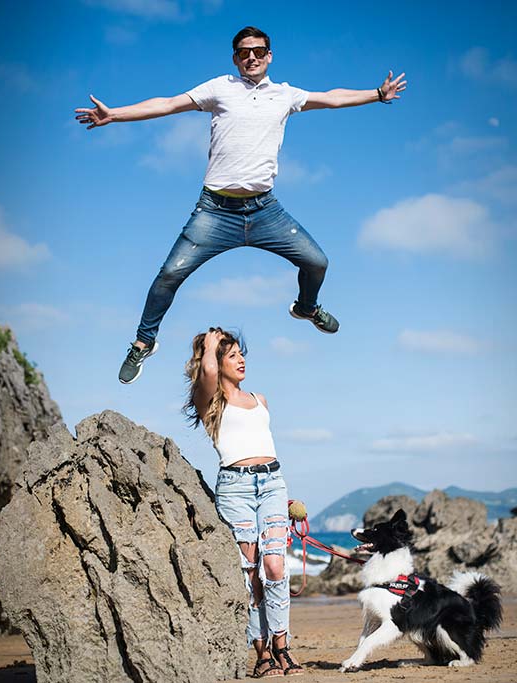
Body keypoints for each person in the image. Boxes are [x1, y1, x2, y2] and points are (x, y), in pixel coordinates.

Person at [76, 26, 407, 384]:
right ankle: (144, 343)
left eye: (259, 51)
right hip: (215, 212)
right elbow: (168, 104)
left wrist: (377, 94)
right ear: (235, 58)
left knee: (317, 262)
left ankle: (306, 307)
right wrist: (115, 115)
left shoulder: (285, 95)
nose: (251, 57)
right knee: (169, 275)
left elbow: (332, 98)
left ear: (269, 56)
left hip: (265, 212)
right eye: (243, 52)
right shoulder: (220, 88)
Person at [184, 327, 301, 677]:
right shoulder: (210, 401)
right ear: (216, 362)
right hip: (234, 489)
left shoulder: (260, 399)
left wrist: (282, 496)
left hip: (272, 484)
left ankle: (283, 646)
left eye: (241, 353)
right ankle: (262, 653)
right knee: (249, 575)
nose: (241, 359)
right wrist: (208, 343)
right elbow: (205, 373)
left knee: (276, 567)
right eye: (232, 354)